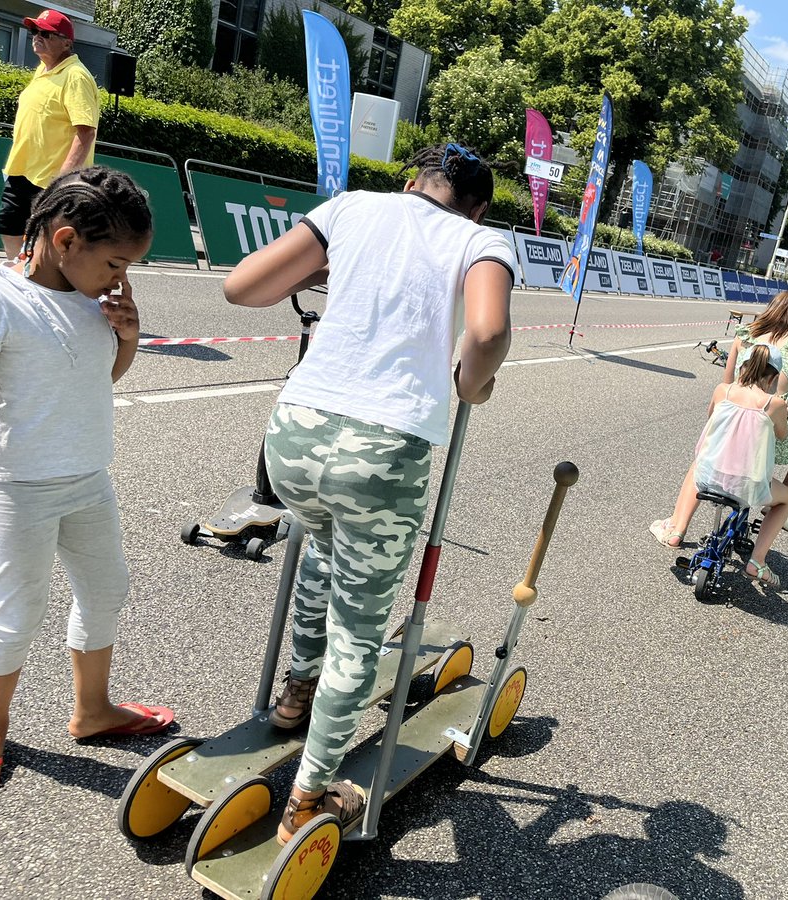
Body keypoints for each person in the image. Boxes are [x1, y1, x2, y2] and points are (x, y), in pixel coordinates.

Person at [222, 143, 515, 843]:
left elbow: (243, 286)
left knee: (321, 551)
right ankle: (310, 796)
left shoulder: (351, 208)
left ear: (412, 181)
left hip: (294, 434)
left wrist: (338, 264)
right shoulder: (482, 241)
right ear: (476, 207)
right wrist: (471, 383)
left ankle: (296, 694)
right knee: (359, 625)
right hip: (383, 452)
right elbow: (488, 331)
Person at [0, 166, 165, 792]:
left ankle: (92, 711)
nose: (120, 279)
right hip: (19, 487)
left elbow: (100, 378)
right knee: (15, 614)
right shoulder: (7, 302)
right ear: (65, 240)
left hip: (89, 478)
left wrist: (128, 335)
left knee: (106, 589)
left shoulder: (93, 303)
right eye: (115, 263)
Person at [651, 289, 788, 550]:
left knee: (702, 462)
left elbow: (726, 385)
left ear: (770, 307)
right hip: (776, 428)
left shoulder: (745, 334)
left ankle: (677, 529)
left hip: (734, 425)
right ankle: (780, 500)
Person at [652, 344, 788, 586]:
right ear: (773, 378)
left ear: (742, 368)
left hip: (709, 477)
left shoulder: (723, 391)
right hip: (747, 486)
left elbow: (712, 417)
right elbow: (782, 435)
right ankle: (757, 561)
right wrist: (784, 416)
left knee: (699, 462)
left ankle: (676, 529)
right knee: (787, 499)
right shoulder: (775, 404)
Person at [0, 10, 100, 261]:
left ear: (67, 42)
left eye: (46, 33)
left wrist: (62, 181)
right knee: (9, 227)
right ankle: (21, 277)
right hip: (22, 170)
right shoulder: (43, 70)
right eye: (35, 31)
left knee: (47, 244)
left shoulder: (76, 76)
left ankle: (39, 279)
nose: (37, 36)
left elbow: (86, 132)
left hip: (50, 179)